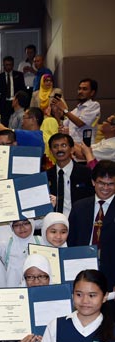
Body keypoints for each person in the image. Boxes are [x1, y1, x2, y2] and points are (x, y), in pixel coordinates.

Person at [68, 160, 115, 289]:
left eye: (110, 184)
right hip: (81, 272)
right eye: (101, 183)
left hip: (111, 275)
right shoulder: (79, 207)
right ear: (93, 182)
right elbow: (71, 242)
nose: (105, 188)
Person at [46, 132, 94, 216]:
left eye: (63, 145)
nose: (59, 149)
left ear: (72, 149)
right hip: (53, 222)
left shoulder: (86, 173)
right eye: (55, 146)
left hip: (78, 221)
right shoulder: (46, 176)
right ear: (50, 151)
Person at [54, 78, 101, 146]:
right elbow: (62, 125)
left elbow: (80, 123)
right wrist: (56, 113)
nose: (80, 91)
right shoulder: (75, 111)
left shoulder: (94, 105)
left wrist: (64, 109)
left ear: (92, 92)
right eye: (79, 89)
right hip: (72, 146)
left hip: (85, 147)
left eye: (84, 89)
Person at [0, 56, 25, 127]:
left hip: (16, 102)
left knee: (18, 122)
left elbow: (22, 90)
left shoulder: (19, 75)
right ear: (3, 65)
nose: (8, 67)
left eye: (10, 65)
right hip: (4, 103)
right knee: (4, 123)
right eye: (6, 65)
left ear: (13, 65)